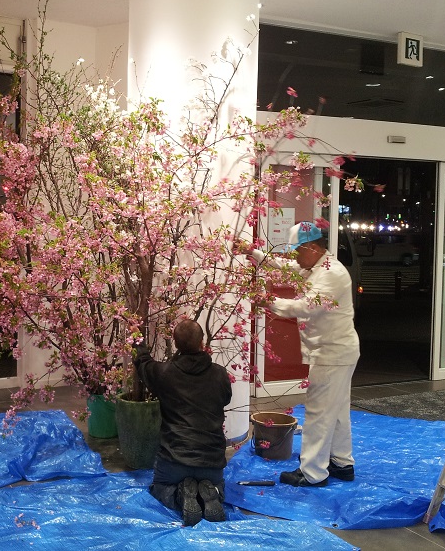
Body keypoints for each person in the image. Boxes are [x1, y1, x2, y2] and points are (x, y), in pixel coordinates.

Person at [236, 221, 360, 487]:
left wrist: (266, 300)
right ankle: (342, 463)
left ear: (313, 248)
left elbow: (306, 307)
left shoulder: (331, 275)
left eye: (297, 252)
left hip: (332, 353)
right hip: (336, 350)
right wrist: (254, 253)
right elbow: (287, 267)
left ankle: (313, 472)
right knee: (337, 411)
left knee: (319, 412)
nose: (293, 258)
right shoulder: (316, 266)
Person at [133, 319, 232, 525]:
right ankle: (211, 492)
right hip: (211, 462)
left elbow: (143, 364)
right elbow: (226, 399)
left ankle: (180, 496)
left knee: (158, 488)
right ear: (202, 342)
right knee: (217, 487)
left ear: (176, 344)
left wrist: (137, 341)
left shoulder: (164, 374)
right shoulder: (219, 374)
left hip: (174, 461)